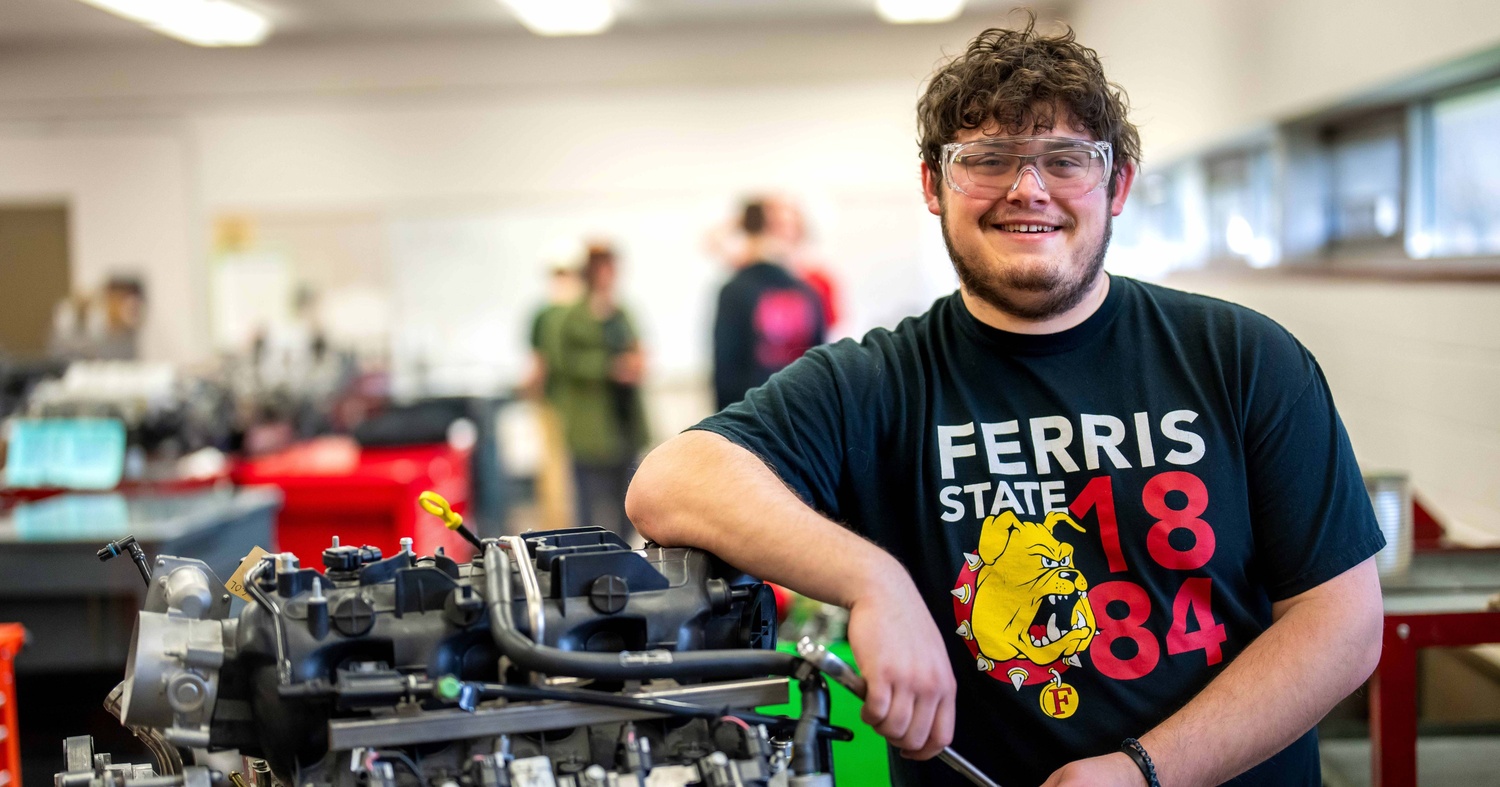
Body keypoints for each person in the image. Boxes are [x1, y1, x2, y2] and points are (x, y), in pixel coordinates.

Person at [627, 18, 1384, 787]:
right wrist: (873, 580)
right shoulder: (881, 383)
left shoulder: (1243, 357)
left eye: (1065, 160)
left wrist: (1144, 772)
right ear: (934, 185)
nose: (1028, 189)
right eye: (987, 160)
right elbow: (671, 480)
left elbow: (1342, 626)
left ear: (1116, 185)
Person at [550, 243, 649, 539]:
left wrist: (636, 362)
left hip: (625, 419)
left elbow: (636, 346)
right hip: (591, 422)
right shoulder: (571, 317)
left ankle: (622, 553)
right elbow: (563, 362)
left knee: (628, 498)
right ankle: (589, 553)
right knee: (590, 502)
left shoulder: (622, 312)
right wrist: (608, 366)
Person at [711, 199, 827, 410]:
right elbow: (727, 371)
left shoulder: (809, 291)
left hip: (787, 413)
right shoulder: (739, 290)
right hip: (770, 414)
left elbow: (820, 359)